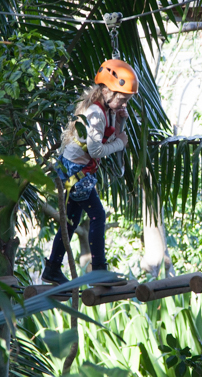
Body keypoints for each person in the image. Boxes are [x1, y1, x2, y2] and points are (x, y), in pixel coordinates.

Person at [41, 59, 138, 285]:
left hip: (76, 168)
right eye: (122, 99)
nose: (124, 103)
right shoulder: (95, 112)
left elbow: (110, 138)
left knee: (71, 222)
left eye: (127, 100)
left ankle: (53, 269)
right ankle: (99, 272)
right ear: (106, 91)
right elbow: (97, 149)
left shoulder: (107, 108)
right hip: (75, 170)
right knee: (97, 215)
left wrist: (121, 122)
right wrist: (121, 144)